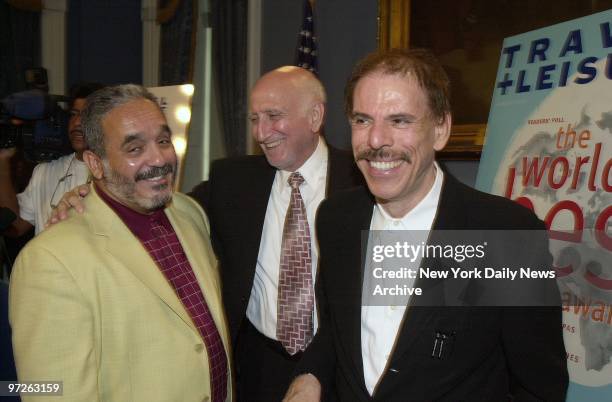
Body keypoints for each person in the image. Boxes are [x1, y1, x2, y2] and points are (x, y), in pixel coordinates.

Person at [49, 66, 362, 401]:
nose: (261, 132)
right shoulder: (233, 180)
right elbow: (158, 203)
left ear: (315, 116)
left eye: (273, 116)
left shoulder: (364, 183)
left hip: (341, 367)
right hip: (256, 370)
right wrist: (93, 192)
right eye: (254, 118)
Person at [283, 49, 568, 401]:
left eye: (399, 120)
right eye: (362, 120)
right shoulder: (336, 219)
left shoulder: (507, 235)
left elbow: (540, 388)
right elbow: (336, 332)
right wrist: (310, 376)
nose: (376, 140)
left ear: (440, 130)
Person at [9, 84, 232, 402]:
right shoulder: (49, 262)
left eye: (163, 140)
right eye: (134, 148)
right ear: (96, 164)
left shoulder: (190, 213)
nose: (160, 158)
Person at [0, 82, 103, 236]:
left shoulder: (113, 173)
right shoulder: (45, 170)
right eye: (74, 114)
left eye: (87, 115)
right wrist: (3, 159)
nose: (77, 122)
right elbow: (16, 226)